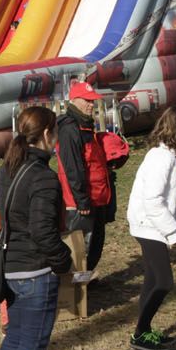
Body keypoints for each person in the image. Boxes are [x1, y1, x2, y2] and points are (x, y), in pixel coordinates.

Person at [0, 105, 72, 350]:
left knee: (14, 337)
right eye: (54, 131)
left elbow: (3, 214)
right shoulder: (43, 178)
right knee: (31, 343)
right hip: (36, 273)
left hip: (10, 268)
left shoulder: (7, 169)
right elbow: (43, 231)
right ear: (46, 135)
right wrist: (64, 262)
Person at [125, 107, 176, 350]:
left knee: (153, 280)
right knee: (164, 282)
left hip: (152, 224)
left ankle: (143, 331)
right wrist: (172, 233)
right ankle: (140, 333)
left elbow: (172, 194)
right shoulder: (161, 158)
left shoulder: (168, 156)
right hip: (149, 225)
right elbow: (153, 199)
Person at [55, 81, 116, 288]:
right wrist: (82, 201)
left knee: (95, 245)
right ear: (74, 100)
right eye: (87, 101)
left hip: (96, 197)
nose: (91, 105)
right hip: (81, 202)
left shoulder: (86, 126)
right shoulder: (69, 129)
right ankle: (73, 292)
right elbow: (73, 169)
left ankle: (84, 284)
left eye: (92, 101)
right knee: (81, 248)